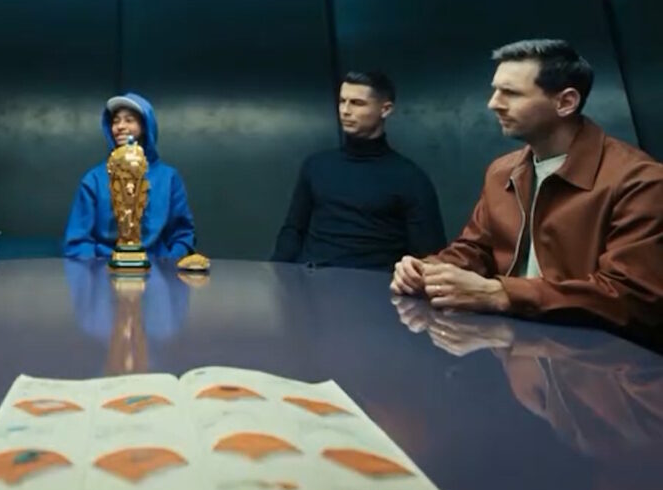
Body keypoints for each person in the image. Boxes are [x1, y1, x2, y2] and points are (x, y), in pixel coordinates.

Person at [392, 39, 663, 330]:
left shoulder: (640, 181)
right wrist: (427, 270)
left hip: (599, 351)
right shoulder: (502, 172)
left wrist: (501, 294)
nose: (493, 103)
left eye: (510, 93)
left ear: (566, 102)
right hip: (515, 343)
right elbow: (475, 250)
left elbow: (630, 295)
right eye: (496, 90)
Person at [272, 71, 445, 268]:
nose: (345, 111)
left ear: (385, 109)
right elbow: (293, 231)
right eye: (342, 101)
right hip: (312, 278)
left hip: (374, 282)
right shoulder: (316, 166)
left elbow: (428, 256)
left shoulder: (411, 179)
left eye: (357, 103)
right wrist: (276, 274)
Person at [63, 92, 195, 258]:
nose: (120, 126)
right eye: (115, 121)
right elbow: (78, 240)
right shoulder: (94, 179)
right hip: (104, 267)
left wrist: (167, 264)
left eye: (129, 120)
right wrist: (97, 267)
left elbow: (182, 234)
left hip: (157, 268)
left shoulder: (169, 178)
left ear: (145, 126)